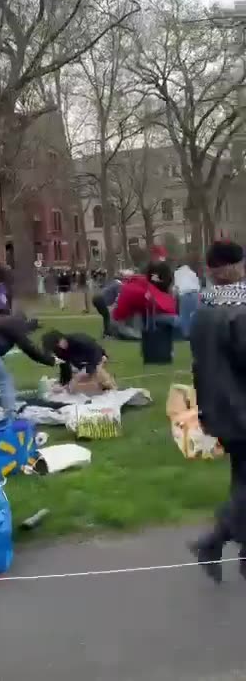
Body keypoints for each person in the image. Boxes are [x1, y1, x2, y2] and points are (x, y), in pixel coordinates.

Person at [189, 241, 246, 583]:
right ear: (232, 268)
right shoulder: (239, 312)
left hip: (218, 408)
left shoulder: (203, 312)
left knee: (242, 479)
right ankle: (212, 542)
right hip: (241, 408)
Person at [42, 330, 108, 391]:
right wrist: (63, 384)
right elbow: (64, 366)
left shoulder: (82, 342)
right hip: (80, 363)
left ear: (61, 340)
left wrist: (79, 376)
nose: (56, 351)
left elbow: (95, 361)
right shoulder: (60, 350)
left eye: (55, 347)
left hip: (97, 358)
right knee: (74, 382)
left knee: (94, 378)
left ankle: (107, 388)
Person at [174, 262, 200, 338]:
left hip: (184, 295)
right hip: (194, 294)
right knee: (194, 315)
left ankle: (186, 334)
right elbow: (197, 285)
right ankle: (195, 333)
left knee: (184, 316)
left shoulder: (177, 273)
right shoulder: (192, 272)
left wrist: (175, 296)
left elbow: (177, 286)